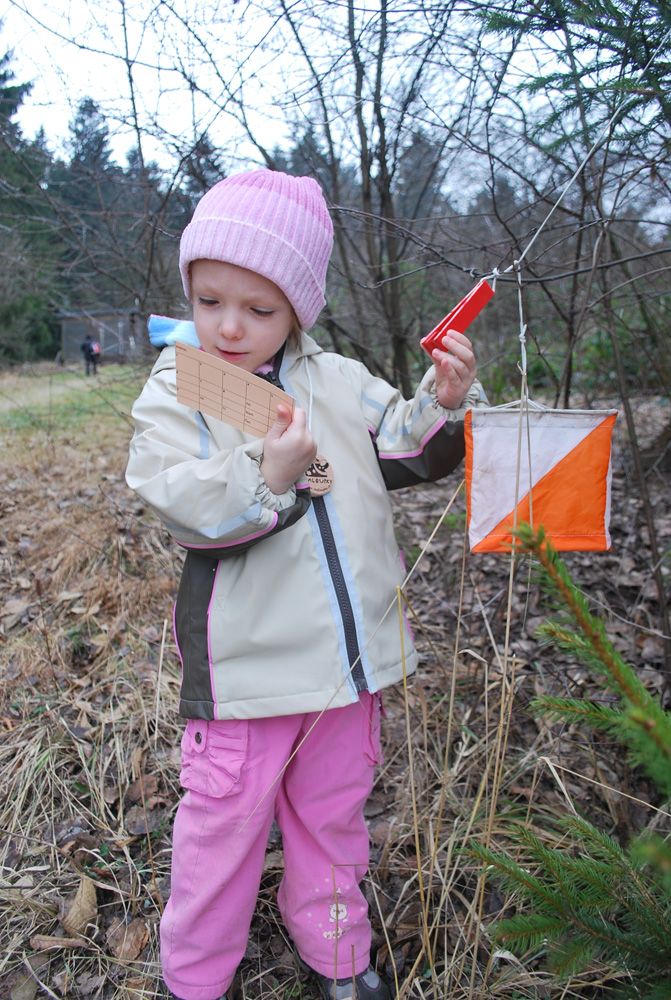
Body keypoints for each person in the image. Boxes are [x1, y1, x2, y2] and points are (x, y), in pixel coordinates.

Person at [125, 169, 487, 1000]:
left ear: (298, 309)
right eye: (209, 300)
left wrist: (443, 400)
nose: (228, 326)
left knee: (332, 821)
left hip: (344, 672)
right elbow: (173, 496)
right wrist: (268, 472)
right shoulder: (184, 384)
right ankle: (195, 980)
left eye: (258, 309)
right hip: (248, 675)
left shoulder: (339, 380)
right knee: (221, 834)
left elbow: (403, 447)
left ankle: (338, 957)